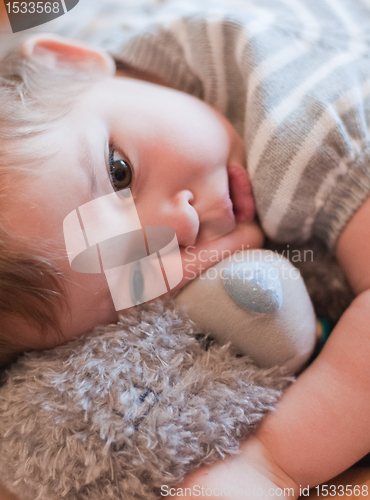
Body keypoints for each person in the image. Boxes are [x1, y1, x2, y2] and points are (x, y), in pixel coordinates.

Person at [1, 0, 370, 496]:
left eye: (118, 173)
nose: (181, 222)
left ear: (71, 60)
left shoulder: (305, 130)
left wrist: (277, 462)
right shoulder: (92, 90)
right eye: (139, 269)